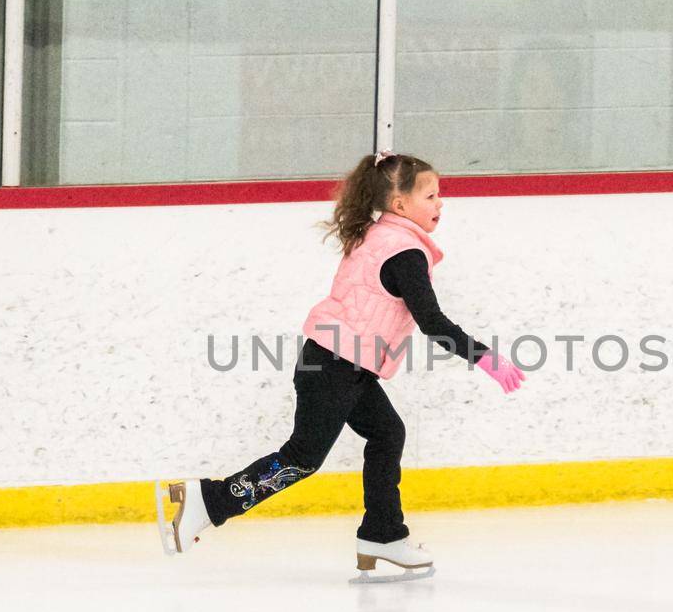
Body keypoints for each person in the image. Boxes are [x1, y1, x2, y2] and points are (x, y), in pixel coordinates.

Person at [163, 150, 525, 576]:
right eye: (430, 196)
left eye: (439, 195)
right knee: (303, 457)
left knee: (388, 433)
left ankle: (383, 533)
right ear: (400, 205)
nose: (440, 203)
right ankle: (209, 502)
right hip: (336, 364)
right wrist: (484, 357)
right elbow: (431, 321)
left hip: (340, 362)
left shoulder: (382, 235)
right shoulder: (404, 251)